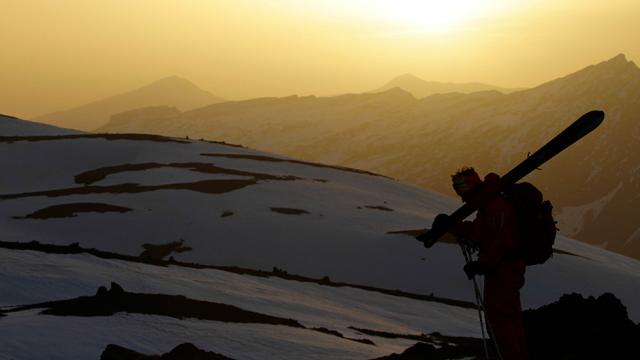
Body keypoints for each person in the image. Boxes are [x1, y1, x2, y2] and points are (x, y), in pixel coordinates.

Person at [435, 167, 528, 360]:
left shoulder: (493, 205)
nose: (459, 192)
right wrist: (453, 226)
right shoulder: (488, 203)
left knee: (501, 320)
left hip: (503, 271)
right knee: (508, 320)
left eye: (461, 186)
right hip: (503, 270)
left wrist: (482, 264)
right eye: (456, 187)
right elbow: (480, 232)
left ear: (472, 184)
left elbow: (503, 240)